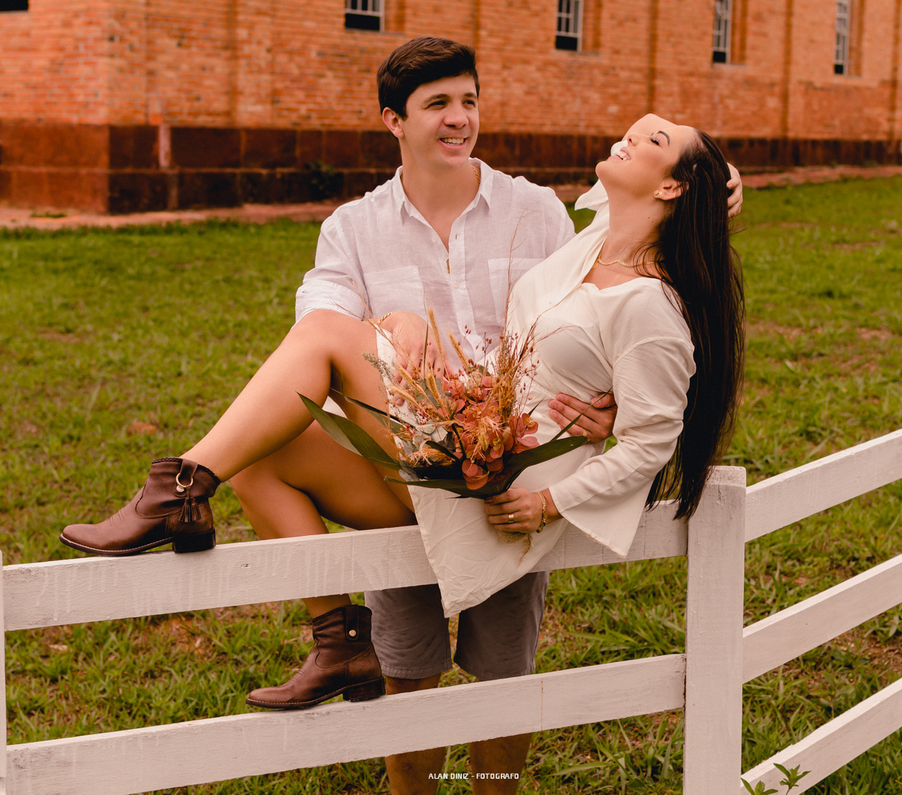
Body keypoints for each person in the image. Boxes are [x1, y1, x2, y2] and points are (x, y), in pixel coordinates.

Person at [60, 37, 744, 795]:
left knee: (501, 682)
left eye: (469, 101)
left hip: (503, 474)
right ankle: (336, 636)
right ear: (394, 120)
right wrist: (395, 331)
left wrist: (717, 181)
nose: (460, 119)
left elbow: (634, 246)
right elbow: (321, 319)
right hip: (412, 453)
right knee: (390, 649)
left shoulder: (535, 212)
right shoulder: (353, 228)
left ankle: (176, 489)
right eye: (438, 105)